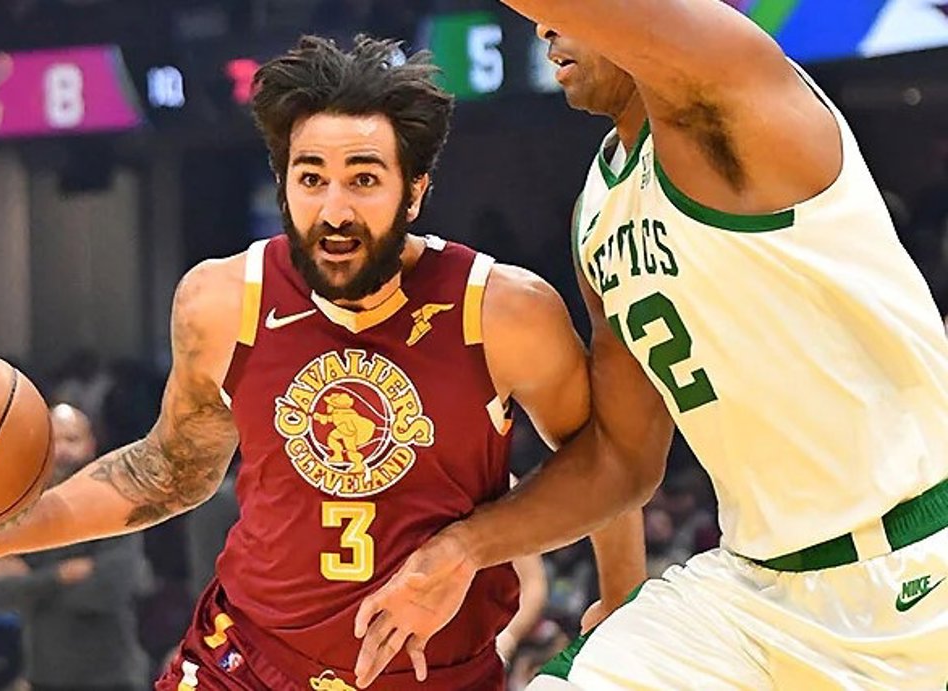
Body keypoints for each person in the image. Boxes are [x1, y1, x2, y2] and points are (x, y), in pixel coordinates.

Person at [0, 35, 646, 690]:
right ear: (284, 184)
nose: (334, 209)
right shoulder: (221, 300)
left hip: (434, 672)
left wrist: (614, 602)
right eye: (312, 178)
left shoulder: (502, 308)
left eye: (364, 180)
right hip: (247, 661)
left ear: (414, 192)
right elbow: (167, 471)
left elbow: (604, 461)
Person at [350, 1, 948, 688]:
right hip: (753, 590)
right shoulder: (599, 207)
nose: (544, 26)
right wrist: (466, 548)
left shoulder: (736, 87)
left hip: (917, 563)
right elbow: (621, 458)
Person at [0, 404, 150, 691]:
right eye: (53, 441)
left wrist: (33, 585)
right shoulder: (22, 512)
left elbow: (111, 589)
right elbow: (0, 592)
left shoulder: (118, 504)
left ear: (91, 444)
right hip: (45, 677)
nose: (62, 450)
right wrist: (59, 575)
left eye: (72, 439)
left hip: (112, 678)